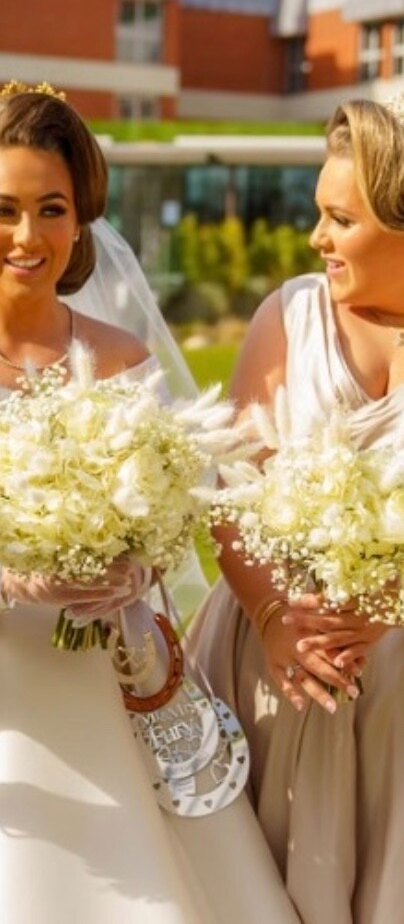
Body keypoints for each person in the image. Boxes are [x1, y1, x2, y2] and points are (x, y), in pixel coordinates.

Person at [0, 87, 300, 924]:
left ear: (79, 221)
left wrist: (135, 562)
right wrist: (8, 583)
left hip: (107, 673)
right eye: (3, 209)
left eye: (52, 209)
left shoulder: (122, 357)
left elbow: (175, 515)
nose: (30, 237)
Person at [189, 96, 404, 924]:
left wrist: (387, 611)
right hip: (272, 656)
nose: (317, 238)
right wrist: (278, 618)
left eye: (339, 219)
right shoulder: (290, 314)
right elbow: (232, 497)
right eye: (320, 214)